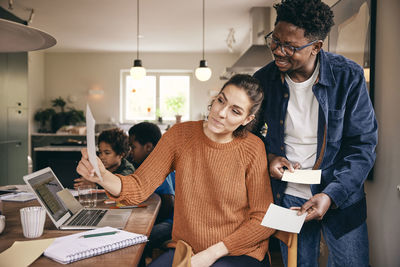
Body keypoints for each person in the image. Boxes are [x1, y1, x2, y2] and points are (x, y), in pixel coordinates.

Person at [77, 74, 275, 267]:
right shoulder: (180, 136)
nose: (221, 112)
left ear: (247, 120)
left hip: (236, 251)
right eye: (221, 101)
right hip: (186, 249)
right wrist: (102, 176)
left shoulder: (253, 148)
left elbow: (263, 218)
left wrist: (212, 253)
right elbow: (138, 187)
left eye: (235, 111)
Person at [253, 0, 378, 266]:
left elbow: (362, 146)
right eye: (275, 40)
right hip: (287, 197)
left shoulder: (348, 76)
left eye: (290, 46)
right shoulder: (264, 80)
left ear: (316, 47)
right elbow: (250, 139)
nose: (278, 51)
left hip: (339, 195)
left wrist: (331, 195)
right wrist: (270, 157)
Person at [128, 122, 175, 263]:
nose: (130, 151)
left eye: (133, 147)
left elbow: (169, 201)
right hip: (166, 221)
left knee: (135, 241)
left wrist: (149, 224)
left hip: (171, 225)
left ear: (148, 147)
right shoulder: (149, 164)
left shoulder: (158, 166)